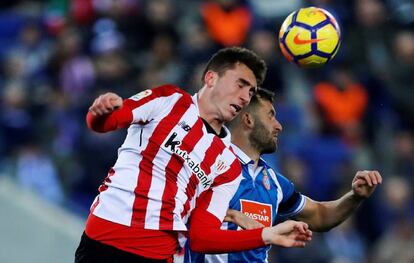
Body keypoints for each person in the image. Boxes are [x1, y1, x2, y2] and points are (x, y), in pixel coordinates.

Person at [74, 47, 312, 263]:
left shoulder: (228, 165)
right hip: (103, 238)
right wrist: (101, 110)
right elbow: (107, 121)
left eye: (250, 92)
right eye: (240, 85)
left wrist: (266, 234)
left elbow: (201, 237)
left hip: (157, 254)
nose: (244, 97)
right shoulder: (167, 100)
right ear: (211, 78)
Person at [185, 88, 382, 262]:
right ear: (248, 119)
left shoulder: (275, 183)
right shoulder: (209, 166)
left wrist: (355, 197)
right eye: (270, 116)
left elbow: (321, 216)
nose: (279, 126)